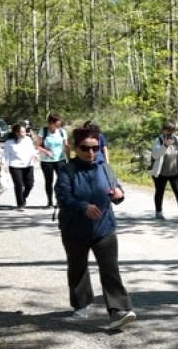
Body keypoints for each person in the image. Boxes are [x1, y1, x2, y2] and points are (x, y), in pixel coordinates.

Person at [55, 126, 136, 329]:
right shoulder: (68, 171)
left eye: (95, 147)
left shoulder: (104, 168)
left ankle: (118, 311)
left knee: (110, 270)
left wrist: (119, 194)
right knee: (78, 268)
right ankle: (80, 303)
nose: (91, 152)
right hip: (75, 229)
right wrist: (82, 207)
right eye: (85, 148)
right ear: (75, 148)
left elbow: (115, 188)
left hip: (104, 228)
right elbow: (64, 198)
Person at [150, 121, 178, 221]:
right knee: (159, 192)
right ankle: (158, 212)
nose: (171, 134)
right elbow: (155, 155)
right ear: (163, 130)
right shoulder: (158, 140)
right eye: (168, 131)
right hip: (161, 172)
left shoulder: (177, 140)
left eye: (172, 131)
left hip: (175, 171)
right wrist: (164, 146)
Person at [3, 124, 38, 210]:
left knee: (30, 184)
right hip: (15, 166)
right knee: (18, 185)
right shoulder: (9, 142)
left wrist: (35, 155)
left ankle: (23, 196)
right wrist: (2, 163)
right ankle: (20, 203)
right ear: (16, 133)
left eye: (25, 131)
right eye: (22, 132)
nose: (24, 133)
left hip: (28, 165)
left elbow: (32, 149)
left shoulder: (28, 140)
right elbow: (5, 154)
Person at [37, 114, 69, 208]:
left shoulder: (62, 131)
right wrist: (46, 151)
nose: (59, 125)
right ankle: (49, 201)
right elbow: (38, 146)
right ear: (51, 123)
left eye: (60, 123)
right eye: (57, 123)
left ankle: (60, 200)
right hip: (47, 161)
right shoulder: (44, 131)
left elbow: (66, 146)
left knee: (62, 181)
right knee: (49, 181)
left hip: (60, 159)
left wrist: (69, 160)